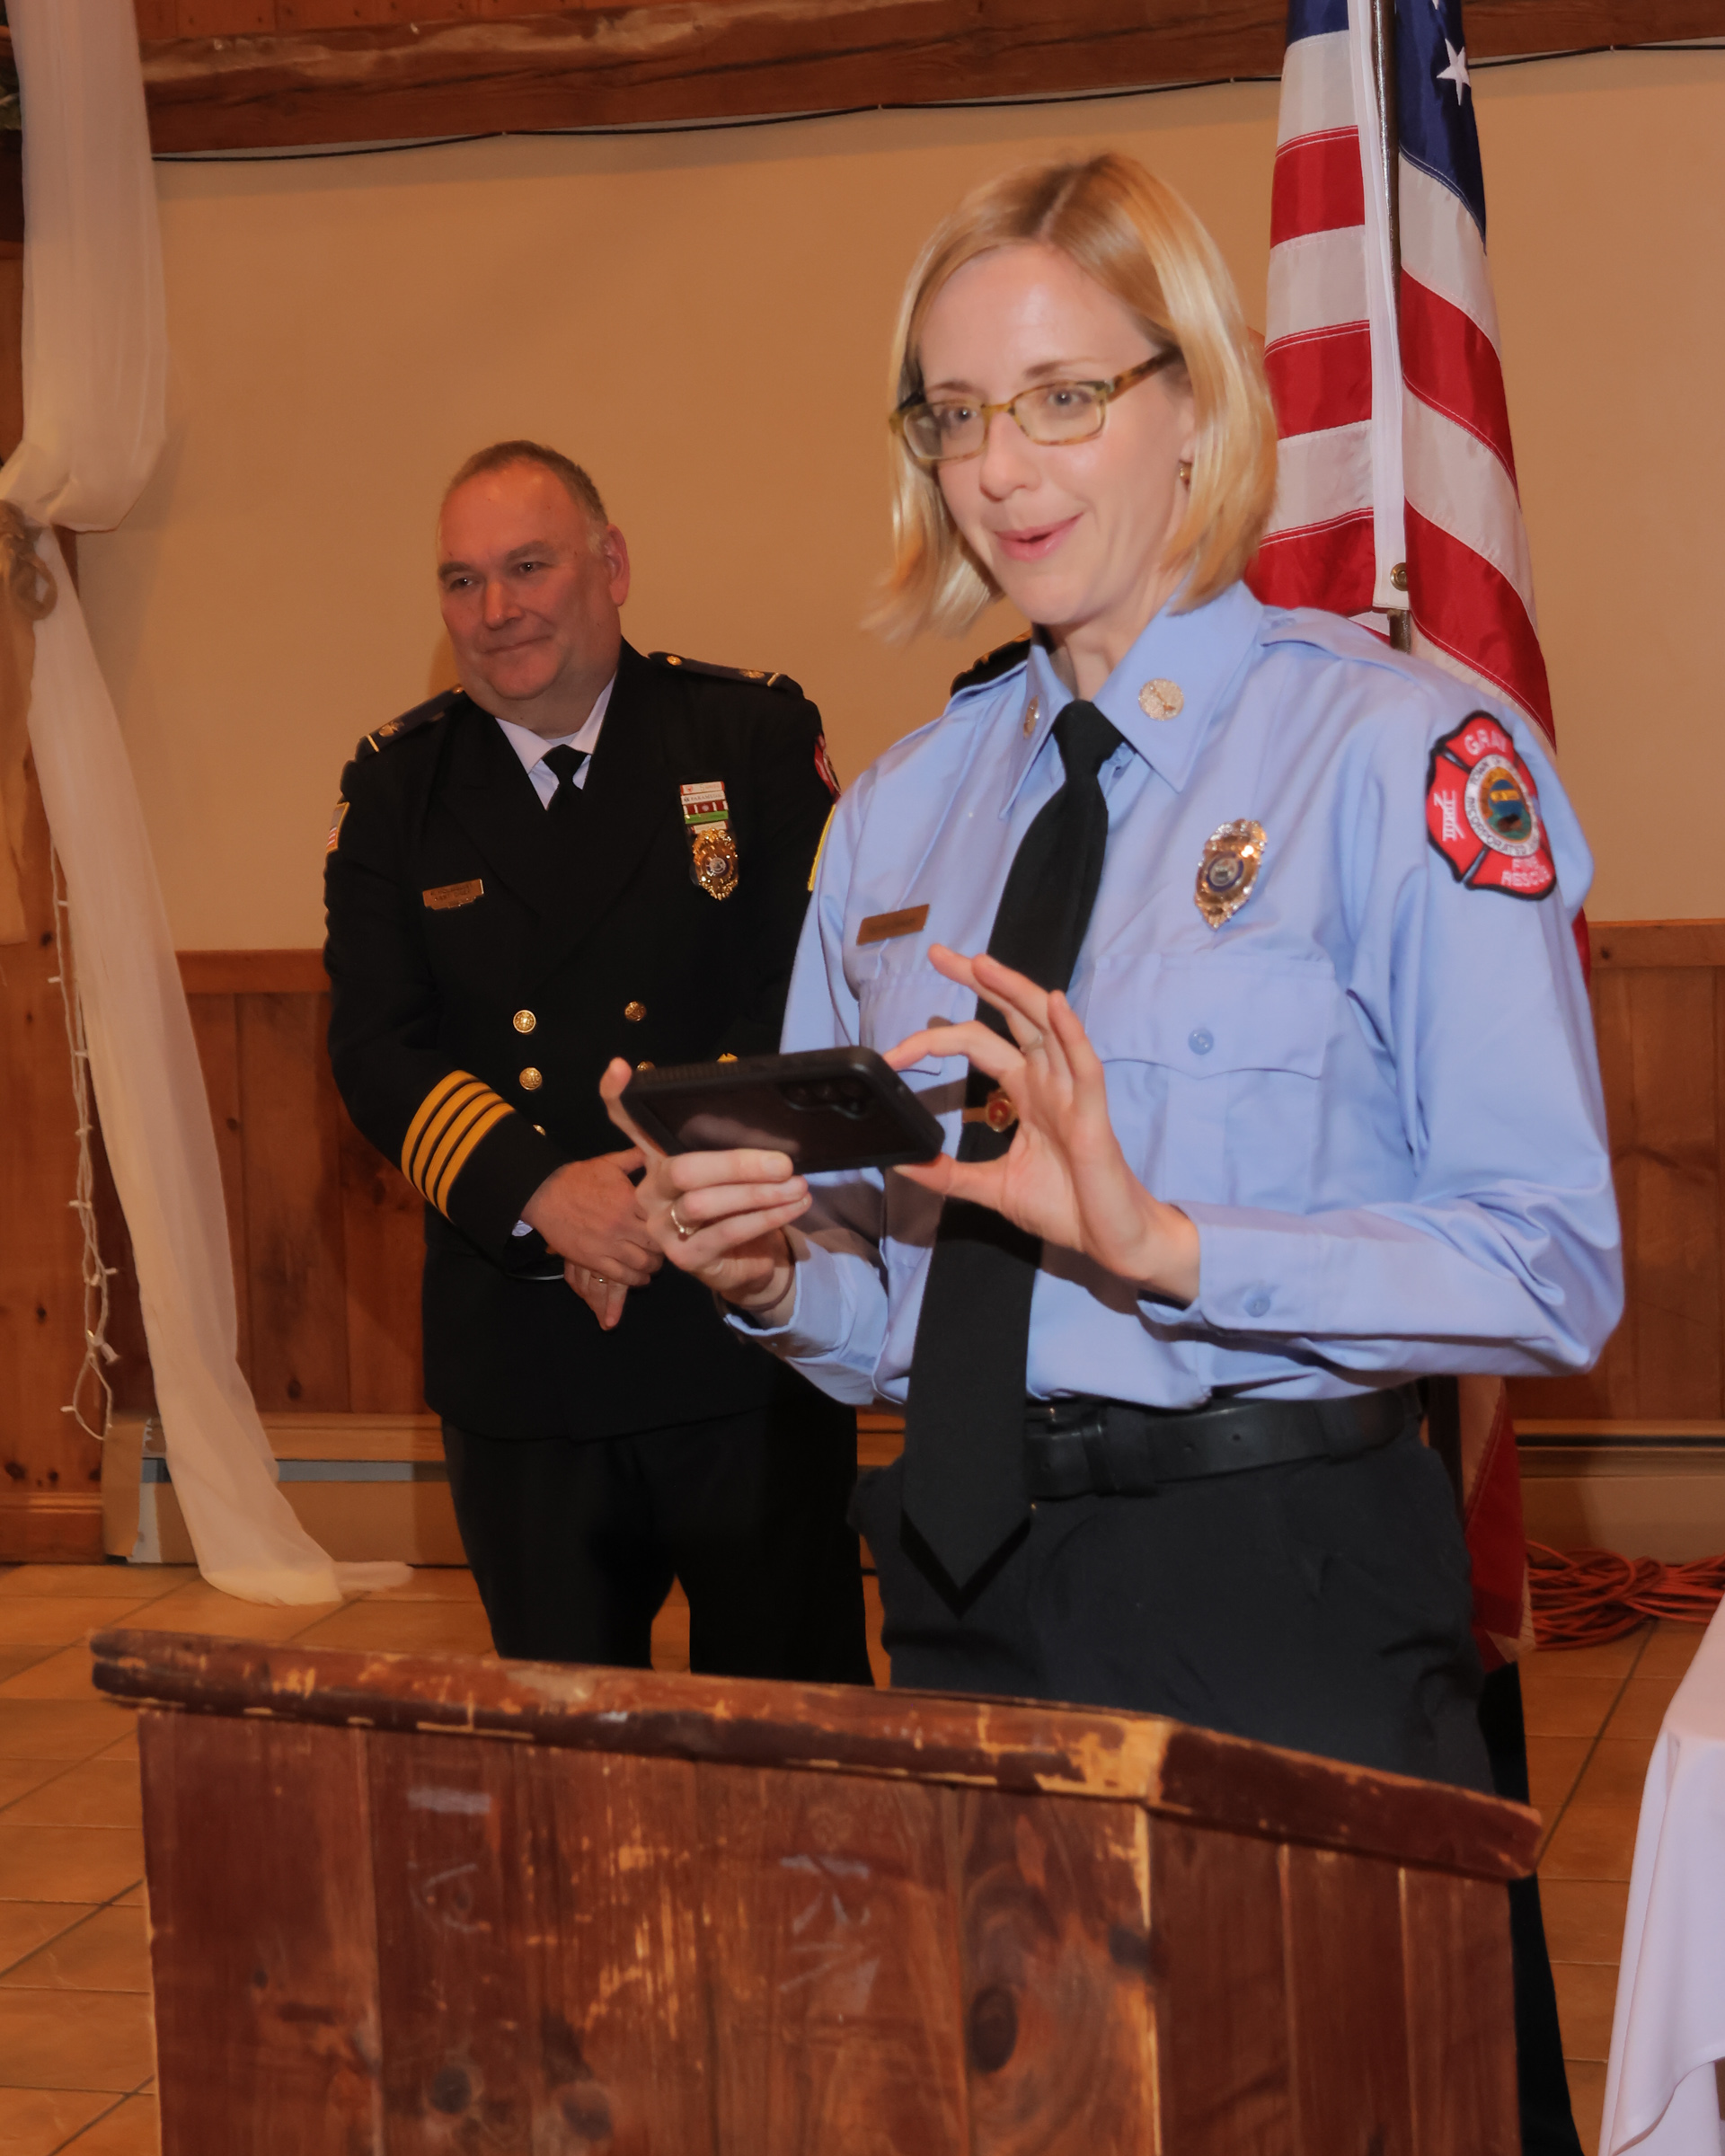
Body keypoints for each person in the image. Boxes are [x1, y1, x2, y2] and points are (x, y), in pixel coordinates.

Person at [601, 155, 1623, 1774]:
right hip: (959, 1589)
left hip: (1283, 1591)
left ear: (1199, 405)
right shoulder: (896, 819)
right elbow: (900, 1307)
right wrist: (772, 1281)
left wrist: (1171, 1248)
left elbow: (1550, 1266)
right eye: (955, 416)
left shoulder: (1386, 755)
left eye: (1063, 399)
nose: (1001, 469)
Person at [323, 440, 871, 1683]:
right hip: (525, 1352)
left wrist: (663, 1196)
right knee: (565, 1754)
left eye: (529, 567)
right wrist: (543, 1195)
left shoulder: (748, 735)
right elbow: (375, 1046)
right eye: (462, 581)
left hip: (742, 1315)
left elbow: (812, 999)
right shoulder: (398, 787)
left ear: (610, 566)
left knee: (789, 1735)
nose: (495, 609)